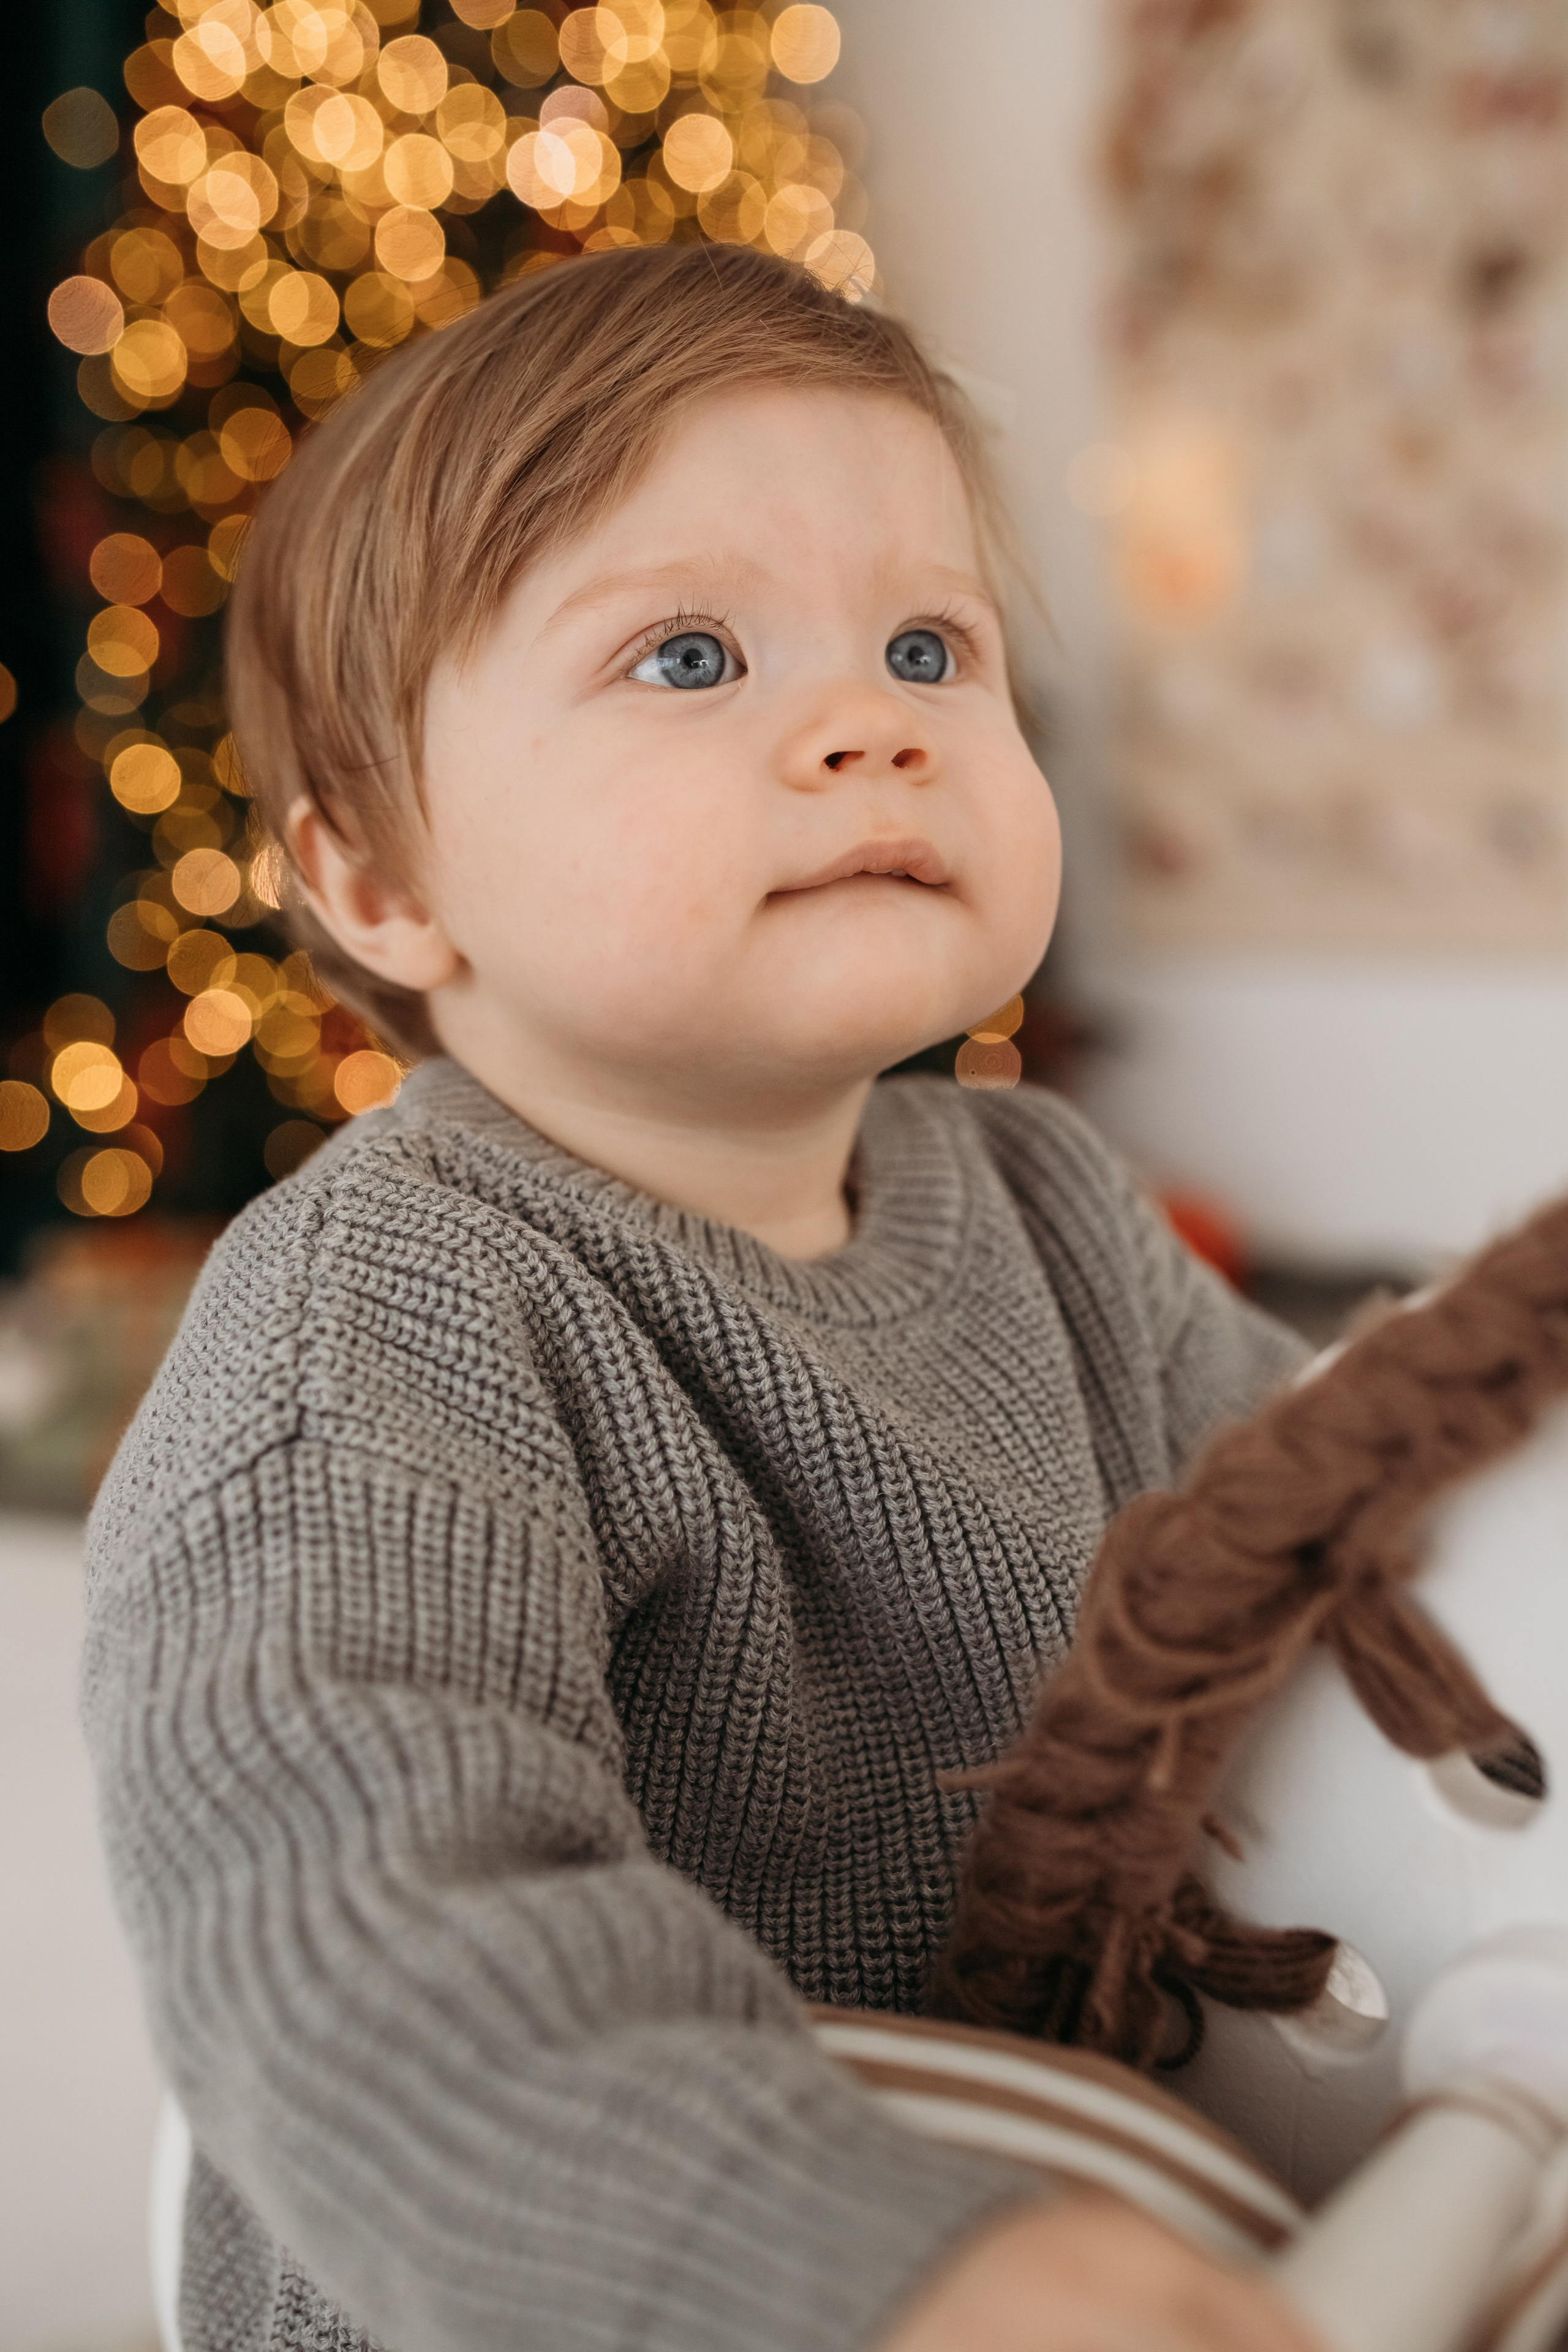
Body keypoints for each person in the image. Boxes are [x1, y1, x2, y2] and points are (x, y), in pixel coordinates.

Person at [83, 243, 1319, 2352]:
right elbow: (355, 1925)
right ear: (380, 879)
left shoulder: (1048, 1197)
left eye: (933, 644)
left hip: (1101, 2207)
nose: (872, 728)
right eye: (687, 659)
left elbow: (1373, 1557)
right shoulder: (381, 1319)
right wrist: (861, 2264)